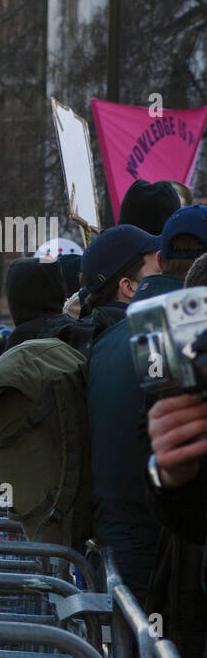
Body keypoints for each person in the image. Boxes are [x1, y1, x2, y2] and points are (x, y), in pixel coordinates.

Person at [94, 207, 207, 603]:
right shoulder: (155, 340)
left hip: (128, 551)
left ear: (161, 260)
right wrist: (172, 477)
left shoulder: (107, 340)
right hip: (158, 562)